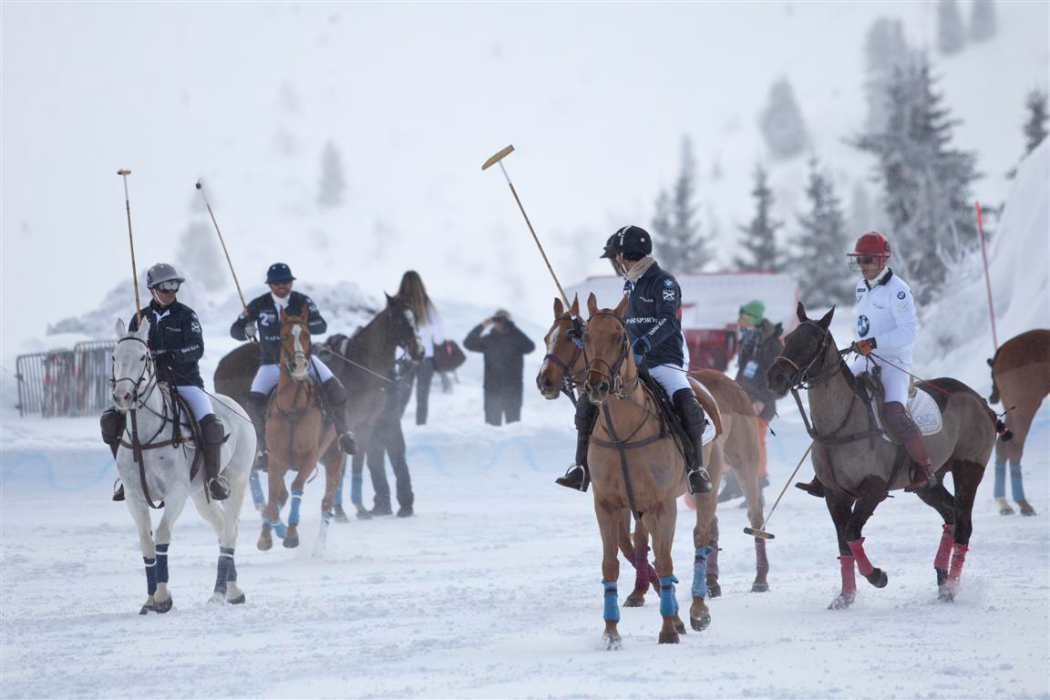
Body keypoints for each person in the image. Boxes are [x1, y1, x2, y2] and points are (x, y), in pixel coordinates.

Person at [555, 225, 714, 495]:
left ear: (621, 256)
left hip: (664, 360)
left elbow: (667, 320)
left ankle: (695, 469)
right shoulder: (630, 285)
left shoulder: (662, 282)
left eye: (614, 258)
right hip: (630, 364)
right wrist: (591, 335)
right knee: (588, 402)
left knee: (687, 404)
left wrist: (645, 343)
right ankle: (581, 468)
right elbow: (620, 329)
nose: (614, 264)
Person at [795, 231, 936, 496]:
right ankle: (824, 472)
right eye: (859, 261)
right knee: (839, 399)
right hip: (864, 358)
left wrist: (874, 342)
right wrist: (862, 345)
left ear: (882, 261)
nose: (862, 267)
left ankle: (923, 468)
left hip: (894, 361)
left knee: (893, 411)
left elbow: (908, 332)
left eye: (867, 260)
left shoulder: (899, 291)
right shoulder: (861, 288)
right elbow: (863, 326)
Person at [102, 263, 229, 501]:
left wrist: (173, 355)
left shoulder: (186, 315)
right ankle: (125, 476)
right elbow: (130, 349)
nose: (172, 291)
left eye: (175, 285)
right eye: (166, 286)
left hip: (185, 382)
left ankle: (213, 478)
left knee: (212, 426)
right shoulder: (140, 318)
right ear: (152, 289)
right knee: (110, 422)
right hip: (148, 387)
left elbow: (197, 347)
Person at [230, 263, 356, 471]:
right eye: (277, 283)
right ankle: (262, 450)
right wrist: (246, 330)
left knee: (335, 388)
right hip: (271, 364)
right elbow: (235, 330)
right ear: (270, 285)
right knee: (253, 404)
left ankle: (344, 434)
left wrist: (302, 325)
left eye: (286, 282)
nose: (282, 286)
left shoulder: (301, 301)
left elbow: (321, 325)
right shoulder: (259, 304)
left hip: (304, 360)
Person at [719, 300, 780, 503]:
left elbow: (777, 377)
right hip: (742, 401)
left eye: (743, 319)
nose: (739, 323)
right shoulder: (748, 340)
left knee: (755, 444)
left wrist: (763, 399)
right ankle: (732, 484)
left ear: (753, 320)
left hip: (761, 404)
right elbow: (743, 371)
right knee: (728, 439)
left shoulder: (772, 344)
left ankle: (758, 489)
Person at [463, 309, 536, 426]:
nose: (500, 323)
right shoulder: (488, 340)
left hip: (513, 390)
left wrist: (513, 328)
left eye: (503, 320)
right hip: (492, 389)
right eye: (497, 320)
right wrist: (483, 325)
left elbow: (530, 347)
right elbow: (468, 343)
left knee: (513, 427)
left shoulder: (517, 339)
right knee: (491, 428)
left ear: (509, 322)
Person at [367, 349, 416, 517]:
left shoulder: (389, 375)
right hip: (374, 426)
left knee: (398, 463)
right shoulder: (369, 376)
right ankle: (383, 502)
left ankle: (406, 504)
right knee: (375, 464)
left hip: (390, 426)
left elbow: (395, 399)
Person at [394, 271, 445, 425]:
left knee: (401, 397)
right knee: (422, 398)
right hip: (425, 357)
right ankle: (421, 429)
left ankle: (392, 430)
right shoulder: (427, 305)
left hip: (404, 357)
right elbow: (439, 335)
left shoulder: (396, 304)